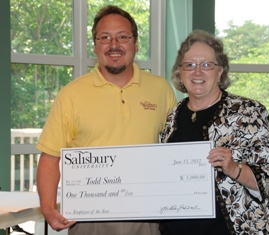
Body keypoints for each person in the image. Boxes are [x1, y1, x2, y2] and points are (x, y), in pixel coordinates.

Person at [36, 5, 176, 235]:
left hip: (148, 215)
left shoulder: (161, 89)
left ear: (135, 43)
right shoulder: (71, 94)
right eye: (105, 38)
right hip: (89, 218)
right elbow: (50, 156)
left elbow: (175, 151)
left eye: (122, 37)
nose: (114, 45)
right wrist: (49, 208)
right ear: (95, 46)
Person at [159, 29, 269, 235]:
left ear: (220, 72)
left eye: (207, 65)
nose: (197, 72)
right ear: (179, 72)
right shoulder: (174, 115)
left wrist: (235, 168)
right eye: (189, 65)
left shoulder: (248, 112)